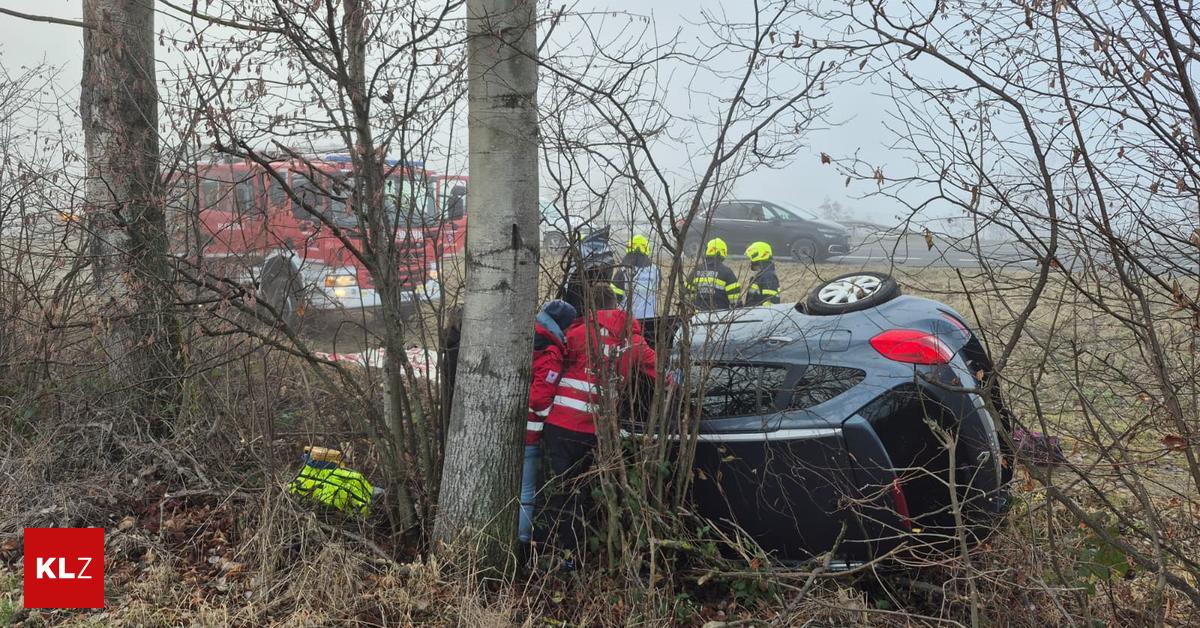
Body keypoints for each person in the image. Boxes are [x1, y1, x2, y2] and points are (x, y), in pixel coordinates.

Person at [542, 284, 657, 566]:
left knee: (562, 490)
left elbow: (549, 361)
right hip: (594, 431)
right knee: (582, 492)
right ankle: (577, 554)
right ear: (616, 305)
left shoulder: (576, 333)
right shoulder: (631, 342)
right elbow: (662, 370)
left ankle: (561, 554)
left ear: (590, 307)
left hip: (560, 425)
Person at [521, 300, 577, 548]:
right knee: (526, 492)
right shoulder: (551, 352)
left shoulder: (526, 337)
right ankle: (522, 544)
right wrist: (551, 419)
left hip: (511, 428)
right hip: (530, 434)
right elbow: (539, 399)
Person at [611, 234, 659, 319]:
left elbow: (613, 299)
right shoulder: (656, 271)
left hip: (629, 322)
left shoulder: (622, 273)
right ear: (647, 250)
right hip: (651, 320)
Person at [687, 237, 740, 310]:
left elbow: (688, 294)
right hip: (721, 314)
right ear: (723, 253)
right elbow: (735, 301)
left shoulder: (696, 270)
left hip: (698, 314)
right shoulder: (727, 272)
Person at [740, 241, 781, 306]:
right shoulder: (761, 276)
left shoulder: (768, 277)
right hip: (754, 312)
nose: (750, 262)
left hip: (759, 312)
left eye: (751, 259)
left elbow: (770, 304)